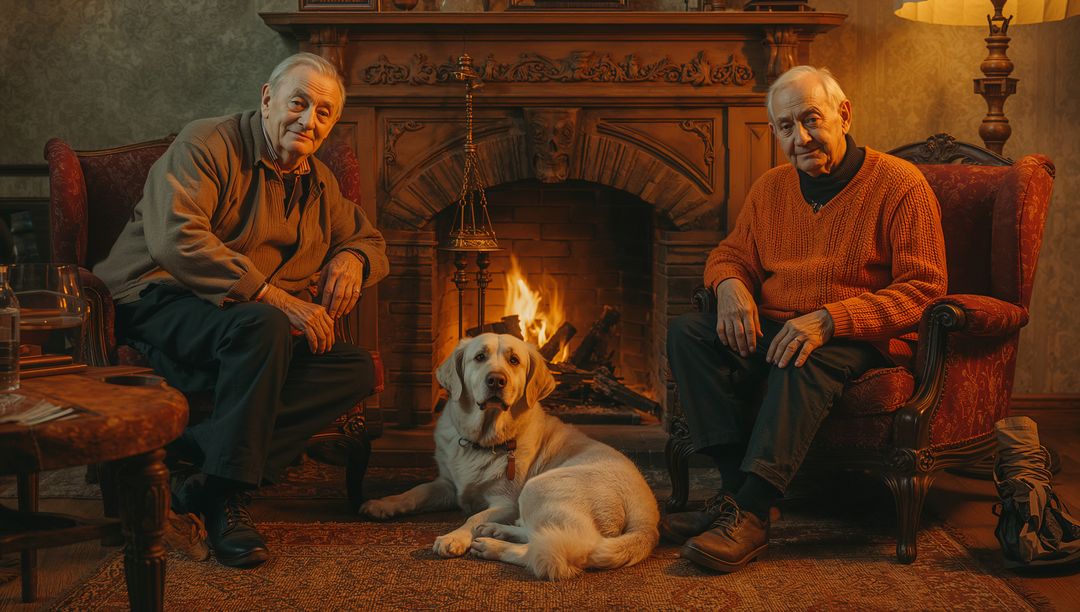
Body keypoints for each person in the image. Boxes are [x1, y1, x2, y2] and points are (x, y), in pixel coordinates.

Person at [94, 52, 389, 568]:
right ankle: (229, 501)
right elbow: (176, 240)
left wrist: (353, 258)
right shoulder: (208, 143)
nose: (308, 119)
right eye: (299, 102)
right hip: (157, 295)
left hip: (244, 326)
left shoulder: (320, 182)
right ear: (268, 98)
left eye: (324, 113)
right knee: (266, 322)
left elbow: (369, 239)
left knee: (355, 368)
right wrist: (277, 298)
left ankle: (203, 479)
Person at [663, 66, 948, 573]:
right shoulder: (770, 189)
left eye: (811, 120)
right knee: (687, 332)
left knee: (802, 354)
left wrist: (830, 319)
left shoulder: (901, 184)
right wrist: (729, 287)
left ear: (843, 114)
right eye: (786, 127)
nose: (801, 137)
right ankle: (737, 496)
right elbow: (731, 254)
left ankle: (749, 514)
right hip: (778, 322)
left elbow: (924, 289)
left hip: (860, 333)